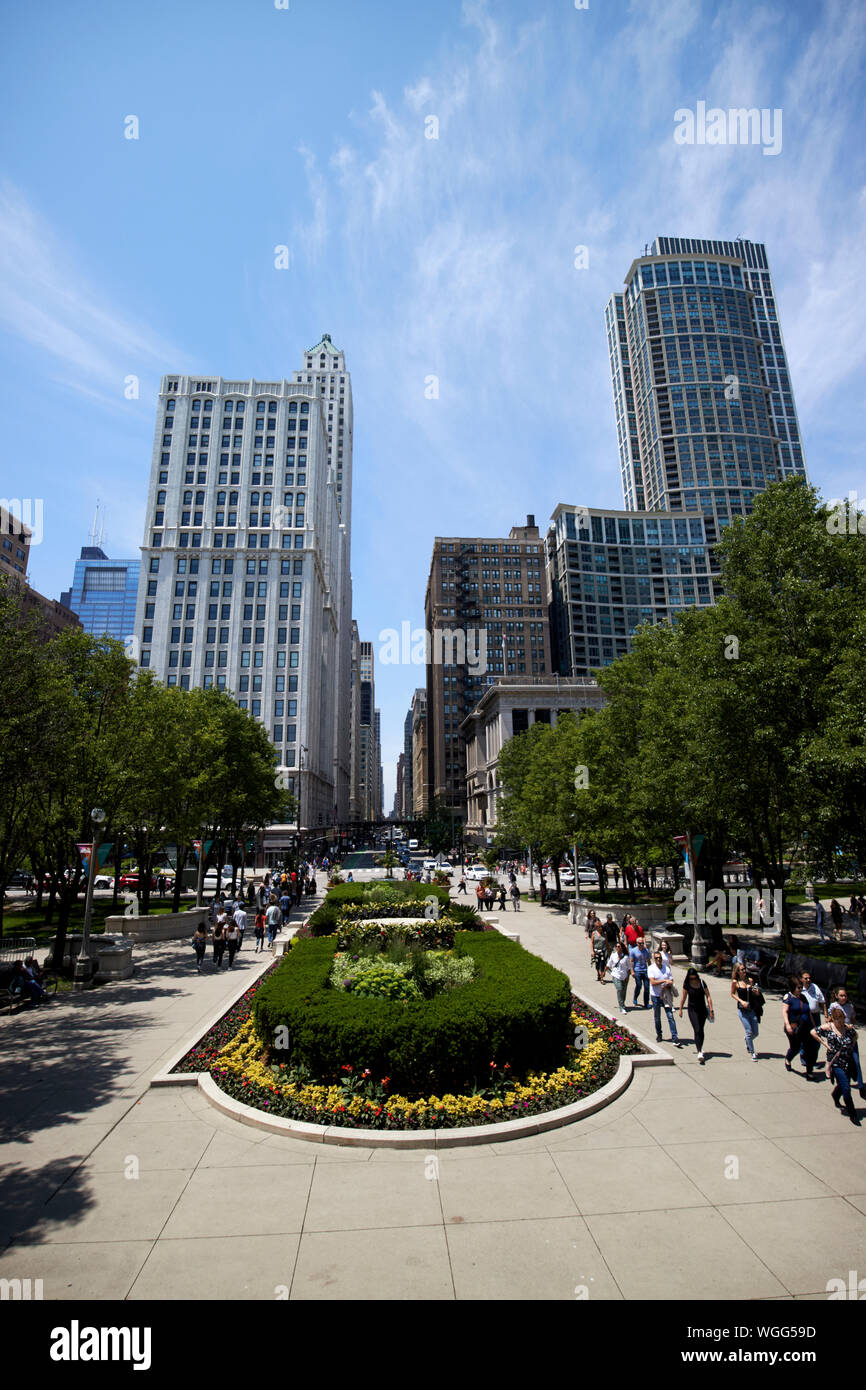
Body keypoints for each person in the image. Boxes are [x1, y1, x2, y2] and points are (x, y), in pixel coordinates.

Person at [812, 1009, 860, 1125]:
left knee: (844, 1084)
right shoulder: (829, 1028)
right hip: (836, 1062)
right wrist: (824, 1044)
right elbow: (813, 1032)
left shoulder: (848, 1029)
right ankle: (852, 1113)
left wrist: (852, 1045)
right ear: (834, 1019)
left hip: (848, 1061)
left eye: (842, 1019)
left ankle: (835, 1094)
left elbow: (856, 1035)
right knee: (847, 1089)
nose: (841, 1022)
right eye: (838, 1020)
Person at [828, 993, 865, 1098]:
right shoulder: (834, 1006)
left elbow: (853, 1018)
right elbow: (831, 1020)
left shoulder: (850, 1006)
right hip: (839, 1039)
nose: (844, 997)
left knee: (856, 1062)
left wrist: (851, 1024)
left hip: (850, 1037)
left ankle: (861, 1087)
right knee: (840, 1065)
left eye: (845, 996)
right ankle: (838, 1087)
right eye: (841, 995)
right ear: (836, 996)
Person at [782, 976, 815, 1076]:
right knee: (795, 1048)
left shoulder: (803, 997)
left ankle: (809, 1071)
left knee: (809, 1048)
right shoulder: (788, 997)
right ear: (793, 987)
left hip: (806, 1027)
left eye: (801, 987)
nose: (801, 989)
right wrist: (787, 1025)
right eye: (798, 988)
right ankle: (788, 1059)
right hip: (794, 1027)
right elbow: (785, 1011)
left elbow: (809, 1012)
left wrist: (814, 1026)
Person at [679, 968, 714, 1062]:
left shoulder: (702, 983)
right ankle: (699, 1052)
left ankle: (700, 1047)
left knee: (701, 1030)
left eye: (694, 978)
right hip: (692, 1009)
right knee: (697, 1028)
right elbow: (684, 997)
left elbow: (708, 996)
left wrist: (711, 1010)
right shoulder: (687, 984)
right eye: (691, 978)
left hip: (702, 1010)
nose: (693, 980)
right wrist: (681, 1009)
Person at [648, 949, 680, 1045]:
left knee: (670, 1016)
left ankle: (675, 1037)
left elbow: (671, 980)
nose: (658, 959)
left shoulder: (666, 968)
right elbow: (653, 982)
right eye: (656, 958)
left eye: (660, 958)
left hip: (666, 996)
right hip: (656, 996)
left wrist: (668, 984)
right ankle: (659, 1034)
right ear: (654, 959)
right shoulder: (651, 968)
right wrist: (663, 981)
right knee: (657, 1017)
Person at [731, 963, 761, 1060]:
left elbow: (754, 994)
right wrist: (741, 1001)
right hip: (742, 1010)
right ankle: (752, 1052)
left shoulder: (750, 980)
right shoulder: (736, 982)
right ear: (737, 972)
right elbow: (732, 994)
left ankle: (747, 1040)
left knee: (755, 1033)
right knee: (749, 1031)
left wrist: (756, 992)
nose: (744, 971)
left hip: (751, 1009)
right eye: (741, 970)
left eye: (744, 969)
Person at [606, 941, 632, 1016]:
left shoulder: (626, 957)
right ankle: (622, 1007)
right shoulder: (613, 955)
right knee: (619, 989)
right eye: (616, 946)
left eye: (619, 946)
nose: (617, 948)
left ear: (622, 948)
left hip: (624, 976)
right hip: (615, 975)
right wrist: (603, 973)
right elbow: (609, 964)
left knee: (624, 992)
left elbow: (629, 968)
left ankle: (622, 1003)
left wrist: (628, 976)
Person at [630, 938, 651, 1008]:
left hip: (645, 970)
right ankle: (635, 997)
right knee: (639, 985)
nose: (641, 945)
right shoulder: (633, 951)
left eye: (642, 943)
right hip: (637, 971)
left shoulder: (646, 950)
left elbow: (648, 961)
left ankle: (646, 1003)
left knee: (647, 987)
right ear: (637, 943)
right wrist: (632, 971)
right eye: (639, 943)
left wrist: (651, 970)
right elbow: (631, 962)